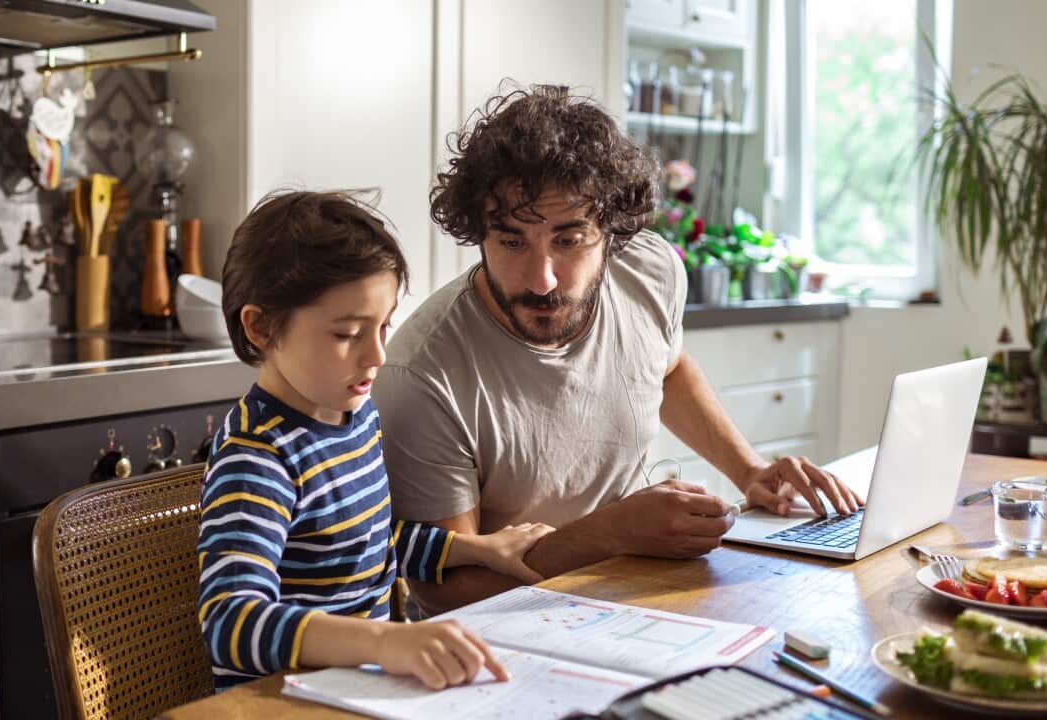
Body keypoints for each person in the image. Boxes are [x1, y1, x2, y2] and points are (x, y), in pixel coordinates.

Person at [373, 85, 863, 615]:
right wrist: (610, 534)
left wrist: (749, 471)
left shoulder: (649, 268)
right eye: (512, 242)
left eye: (569, 240)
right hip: (506, 627)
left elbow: (667, 368)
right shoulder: (422, 375)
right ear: (477, 233)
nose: (541, 280)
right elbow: (445, 592)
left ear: (612, 231)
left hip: (634, 590)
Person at [198, 189, 553, 692]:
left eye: (384, 327)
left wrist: (474, 550)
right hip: (279, 702)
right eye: (348, 334)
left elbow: (365, 545)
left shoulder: (356, 417)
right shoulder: (258, 458)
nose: (378, 355)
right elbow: (230, 623)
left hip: (359, 689)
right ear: (261, 328)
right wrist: (384, 641)